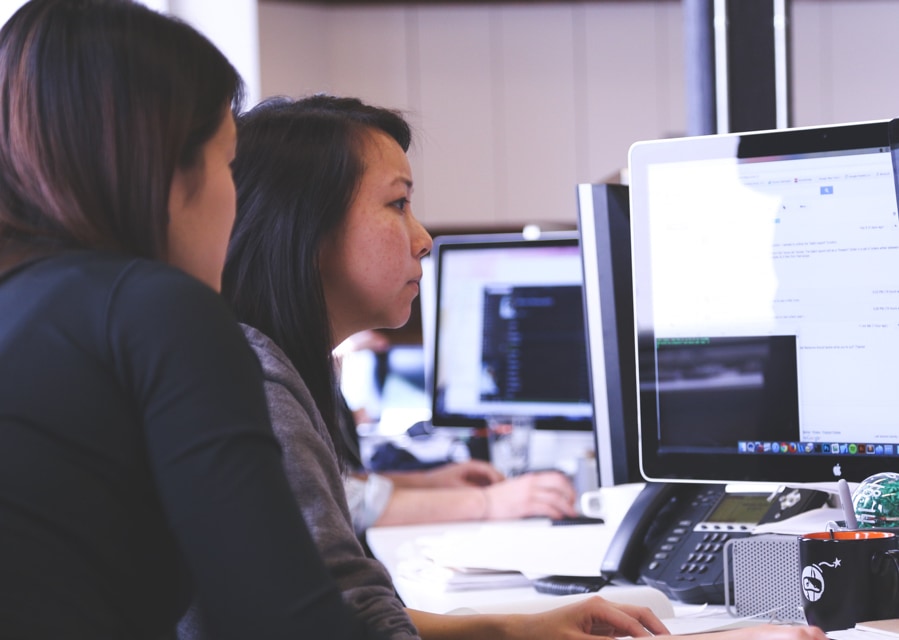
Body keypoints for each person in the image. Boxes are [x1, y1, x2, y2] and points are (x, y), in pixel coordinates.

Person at [216, 94, 827, 640]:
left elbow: (355, 616)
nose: (424, 237)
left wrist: (515, 627)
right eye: (398, 204)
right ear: (305, 230)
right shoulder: (256, 388)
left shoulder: (264, 370)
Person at [0, 2, 369, 638]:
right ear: (164, 169)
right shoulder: (155, 309)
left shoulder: (27, 305)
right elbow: (284, 624)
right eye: (229, 165)